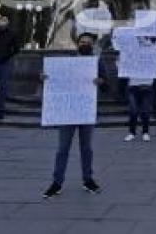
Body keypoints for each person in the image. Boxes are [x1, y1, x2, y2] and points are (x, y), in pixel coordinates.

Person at [43, 33, 105, 198]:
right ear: (77, 44)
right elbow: (54, 80)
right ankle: (57, 182)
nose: (84, 44)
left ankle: (88, 179)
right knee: (62, 148)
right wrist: (45, 78)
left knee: (87, 148)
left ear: (92, 45)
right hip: (68, 111)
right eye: (82, 42)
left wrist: (101, 82)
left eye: (88, 42)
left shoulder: (97, 62)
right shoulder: (67, 62)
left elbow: (106, 84)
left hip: (86, 110)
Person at [125, 37, 156, 143]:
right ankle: (131, 132)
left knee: (145, 111)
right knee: (133, 111)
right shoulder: (130, 51)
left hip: (147, 85)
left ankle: (145, 132)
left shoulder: (153, 49)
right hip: (133, 85)